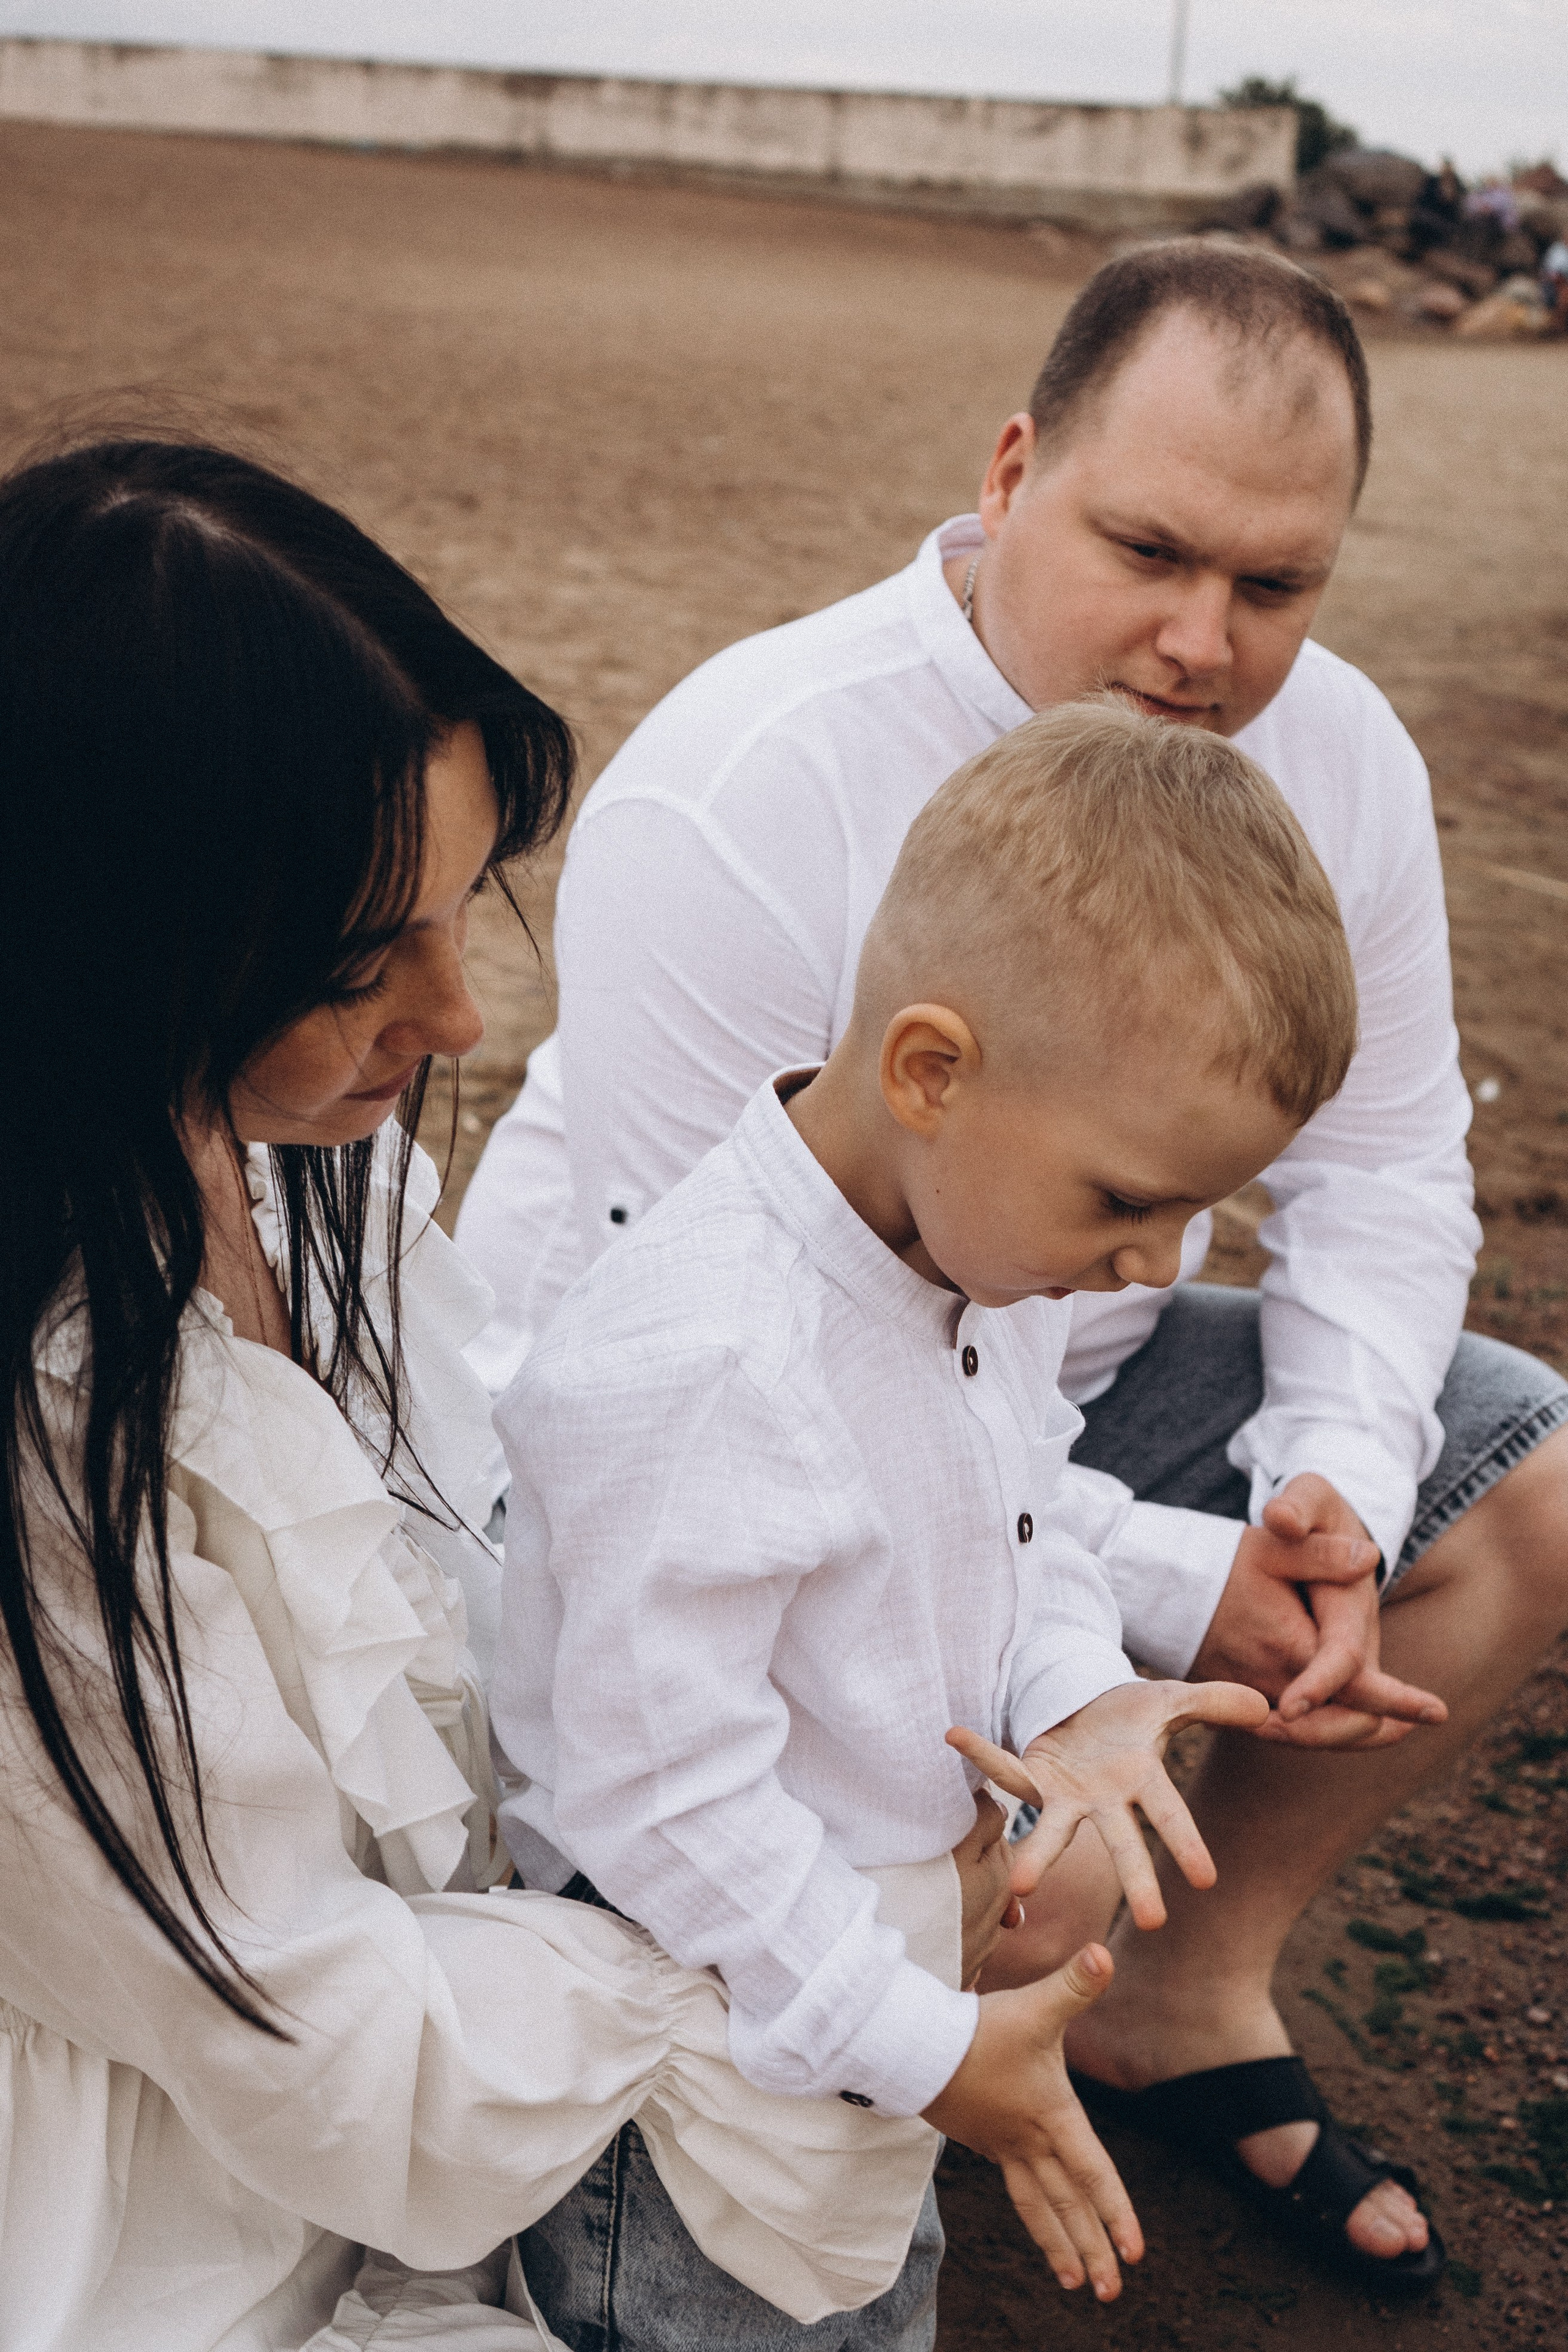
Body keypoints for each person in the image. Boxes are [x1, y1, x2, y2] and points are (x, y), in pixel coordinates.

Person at [458, 240, 1568, 2282]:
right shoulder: (750, 786)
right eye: (1149, 550)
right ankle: (923, 2007)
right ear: (1010, 471)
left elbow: (1392, 1168)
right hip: (717, 1485)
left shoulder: (1340, 759)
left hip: (1025, 1404)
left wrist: (1324, 1490)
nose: (1202, 642)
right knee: (829, 1825)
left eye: (1276, 586)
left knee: (1521, 1481)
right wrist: (1165, 1591)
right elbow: (765, 1397)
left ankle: (1164, 1993)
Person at [0, 436, 1068, 2352]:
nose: (464, 1018)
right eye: (359, 961)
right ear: (109, 948)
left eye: (462, 903)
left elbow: (466, 1591)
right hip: (209, 2160)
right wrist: (824, 1977)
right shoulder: (45, 1428)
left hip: (446, 2021)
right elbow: (283, 2007)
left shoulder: (303, 1156)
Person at [488, 699, 1442, 2348]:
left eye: (1198, 1210)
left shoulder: (975, 1251)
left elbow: (1019, 1520)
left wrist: (1072, 1695)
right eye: (1130, 1199)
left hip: (861, 2007)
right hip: (696, 2070)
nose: (1159, 1263)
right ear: (932, 1072)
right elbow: (658, 1804)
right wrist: (933, 2053)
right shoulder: (710, 1365)